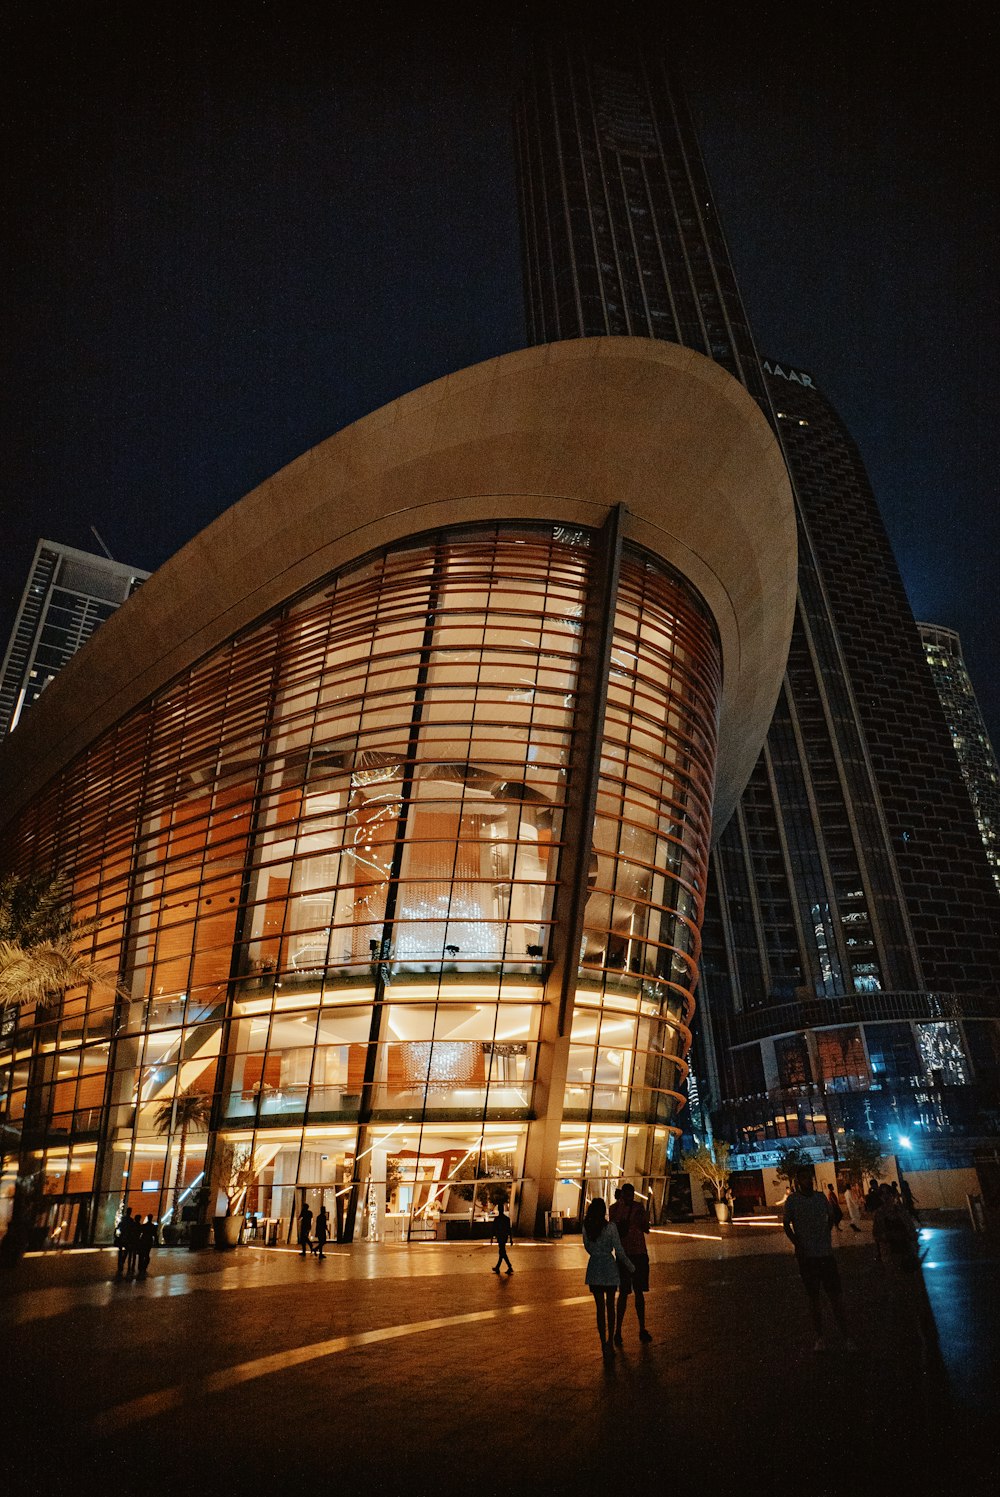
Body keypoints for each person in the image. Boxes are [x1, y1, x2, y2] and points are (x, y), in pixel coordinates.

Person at [783, 1167, 855, 1352]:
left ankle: (846, 1336)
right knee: (814, 1298)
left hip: (824, 1253)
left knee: (835, 1297)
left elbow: (831, 1216)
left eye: (809, 1178)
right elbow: (786, 1224)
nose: (808, 1181)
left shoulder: (820, 1198)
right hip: (809, 1256)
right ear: (798, 1182)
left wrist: (825, 1233)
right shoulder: (793, 1201)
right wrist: (797, 1243)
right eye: (804, 1179)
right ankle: (821, 1337)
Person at [582, 1197, 633, 1360]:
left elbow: (588, 1247)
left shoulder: (587, 1227)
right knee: (610, 1306)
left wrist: (597, 1254)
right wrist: (630, 1266)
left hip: (595, 1267)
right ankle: (610, 1341)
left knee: (599, 1308)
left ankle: (602, 1342)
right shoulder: (610, 1227)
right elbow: (619, 1250)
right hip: (609, 1267)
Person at [610, 1182, 653, 1344]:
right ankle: (621, 1331)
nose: (630, 1198)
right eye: (627, 1195)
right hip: (629, 1254)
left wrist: (641, 1220)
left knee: (634, 1292)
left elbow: (645, 1228)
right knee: (628, 1292)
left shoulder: (635, 1208)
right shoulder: (617, 1209)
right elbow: (615, 1227)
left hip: (633, 1253)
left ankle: (633, 1329)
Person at [490, 1201, 514, 1275]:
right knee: (502, 1252)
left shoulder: (497, 1219)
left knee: (502, 1252)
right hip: (504, 1237)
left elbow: (493, 1229)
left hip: (500, 1237)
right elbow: (509, 1229)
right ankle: (500, 1267)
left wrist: (491, 1238)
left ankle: (508, 1267)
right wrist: (510, 1239)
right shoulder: (506, 1219)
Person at [114, 1206, 134, 1279]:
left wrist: (116, 1235)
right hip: (127, 1238)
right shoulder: (131, 1220)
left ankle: (120, 1263)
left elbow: (118, 1227)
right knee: (126, 1251)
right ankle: (122, 1262)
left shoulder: (123, 1220)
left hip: (122, 1237)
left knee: (121, 1251)